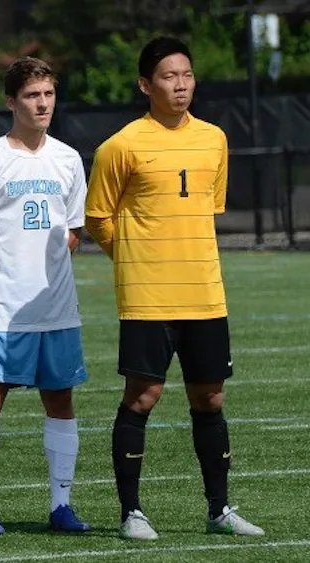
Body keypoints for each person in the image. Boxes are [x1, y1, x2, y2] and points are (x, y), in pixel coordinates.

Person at [85, 36, 264, 540]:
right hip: (148, 296)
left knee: (210, 398)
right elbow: (98, 217)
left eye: (186, 75)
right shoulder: (120, 146)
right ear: (146, 85)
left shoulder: (215, 139)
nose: (180, 84)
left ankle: (219, 510)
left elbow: (209, 210)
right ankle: (131, 513)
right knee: (143, 397)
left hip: (205, 291)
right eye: (168, 76)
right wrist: (136, 258)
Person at [0, 57, 91, 535]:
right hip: (1, 312)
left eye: (49, 94)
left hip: (56, 309)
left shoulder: (68, 158)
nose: (43, 103)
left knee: (61, 400)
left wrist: (44, 268)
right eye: (32, 95)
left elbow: (74, 229)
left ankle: (62, 506)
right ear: (12, 101)